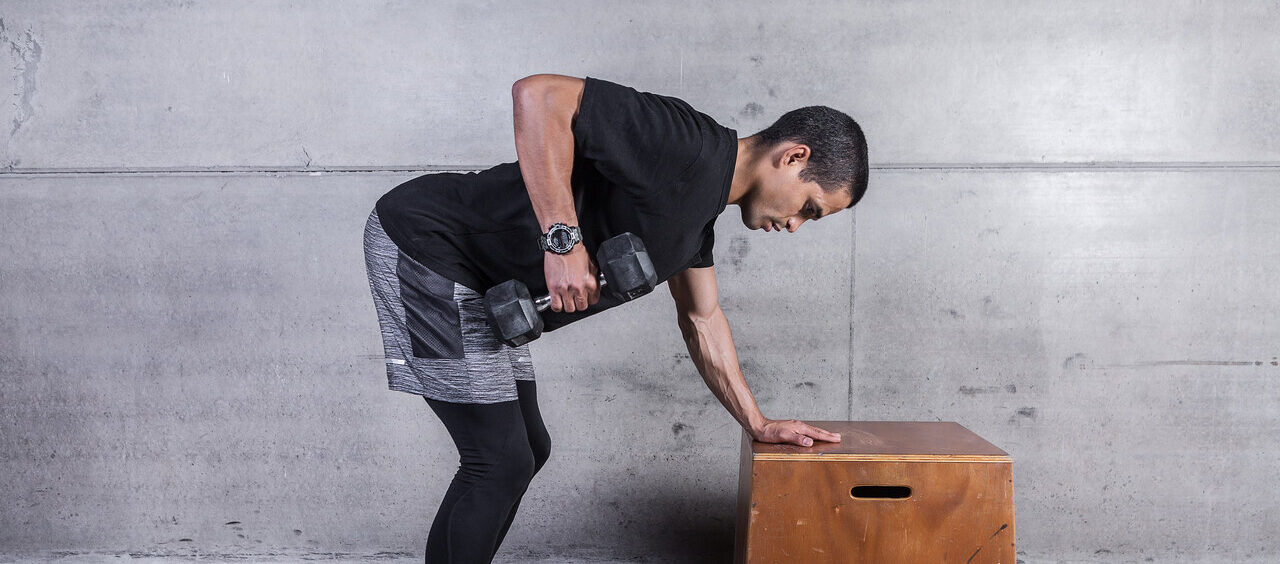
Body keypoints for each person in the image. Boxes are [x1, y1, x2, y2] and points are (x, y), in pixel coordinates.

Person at [364, 74, 869, 563]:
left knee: (527, 451)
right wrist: (562, 239)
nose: (796, 225)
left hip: (476, 279)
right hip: (426, 244)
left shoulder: (696, 224)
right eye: (810, 208)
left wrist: (756, 422)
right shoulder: (687, 145)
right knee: (497, 461)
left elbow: (703, 318)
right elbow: (539, 95)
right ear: (793, 157)